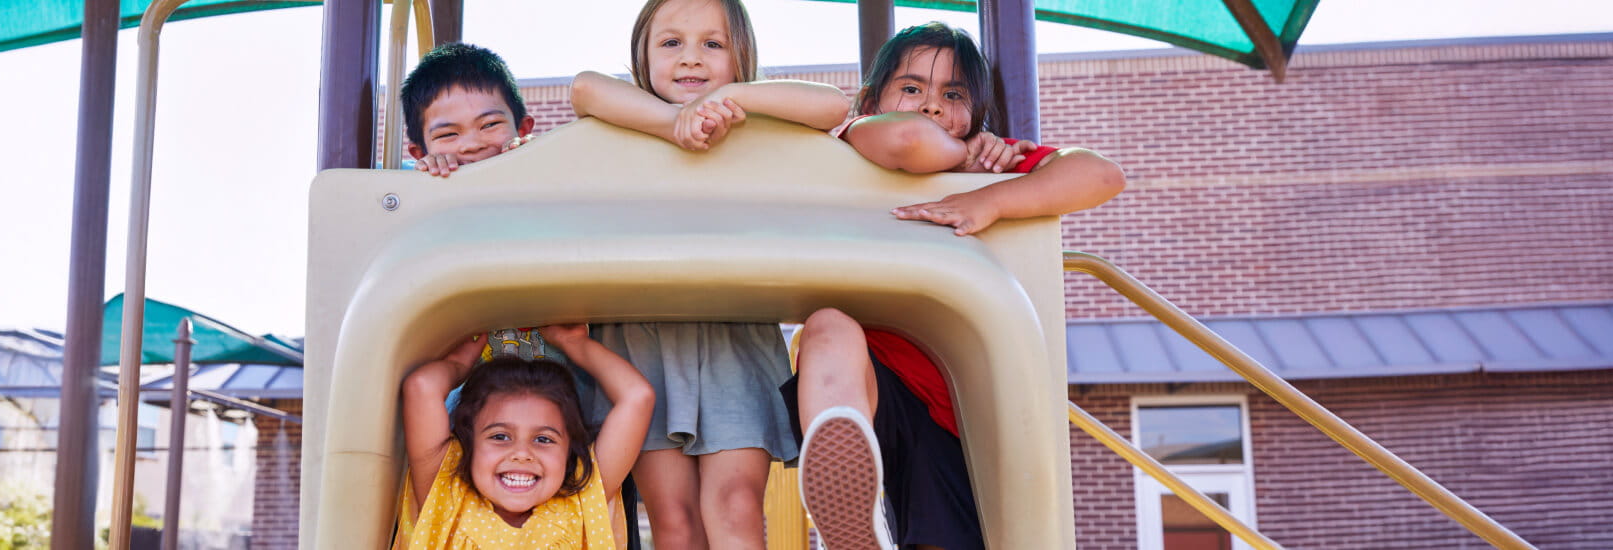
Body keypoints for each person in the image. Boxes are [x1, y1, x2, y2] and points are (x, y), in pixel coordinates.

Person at [790, 22, 1127, 550]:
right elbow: (905, 139)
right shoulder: (854, 140)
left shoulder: (992, 168)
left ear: (976, 113)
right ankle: (846, 487)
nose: (930, 105)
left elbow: (1102, 175)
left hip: (961, 409)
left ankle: (864, 531)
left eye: (952, 94)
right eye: (911, 87)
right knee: (826, 327)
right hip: (871, 389)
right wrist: (964, 157)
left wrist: (991, 198)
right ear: (870, 99)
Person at [566, 1, 849, 548]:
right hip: (641, 340)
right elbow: (582, 87)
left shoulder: (754, 119)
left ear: (741, 55)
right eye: (671, 43)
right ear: (642, 57)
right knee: (672, 518)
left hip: (732, 333)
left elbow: (832, 105)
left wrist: (727, 97)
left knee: (736, 504)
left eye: (712, 45)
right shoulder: (630, 114)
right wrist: (674, 124)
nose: (691, 58)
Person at [399, 325, 655, 549]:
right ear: (469, 443)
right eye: (500, 436)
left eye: (543, 439)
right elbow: (421, 387)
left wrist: (574, 343)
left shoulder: (583, 498)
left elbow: (637, 396)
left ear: (569, 452)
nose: (522, 454)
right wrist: (459, 363)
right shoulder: (446, 491)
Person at [402, 42, 536, 178]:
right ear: (421, 153)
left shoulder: (543, 177)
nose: (472, 145)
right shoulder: (413, 193)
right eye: (447, 134)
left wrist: (539, 158)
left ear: (522, 129)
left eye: (490, 124)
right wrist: (424, 179)